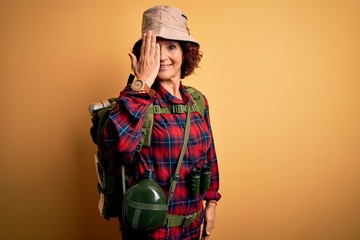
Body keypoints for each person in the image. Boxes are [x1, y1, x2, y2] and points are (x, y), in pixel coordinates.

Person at [103, 5, 221, 240]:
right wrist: (143, 81)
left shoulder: (197, 100)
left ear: (185, 52)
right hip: (151, 232)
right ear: (144, 54)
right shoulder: (135, 99)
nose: (163, 56)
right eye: (154, 49)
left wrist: (212, 202)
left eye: (171, 47)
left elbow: (209, 155)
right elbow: (119, 144)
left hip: (191, 227)